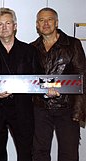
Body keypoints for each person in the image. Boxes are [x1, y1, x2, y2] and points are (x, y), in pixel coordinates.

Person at [0, 8, 41, 161]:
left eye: (7, 23)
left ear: (15, 26)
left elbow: (38, 79)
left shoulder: (30, 51)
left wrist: (47, 90)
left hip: (22, 108)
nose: (4, 27)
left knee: (25, 153)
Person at [31, 7, 85, 161]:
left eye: (49, 19)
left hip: (67, 108)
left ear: (56, 23)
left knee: (69, 153)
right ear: (37, 25)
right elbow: (30, 80)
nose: (45, 23)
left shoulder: (72, 44)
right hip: (40, 108)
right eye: (41, 20)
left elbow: (82, 77)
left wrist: (78, 112)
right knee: (39, 152)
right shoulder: (32, 48)